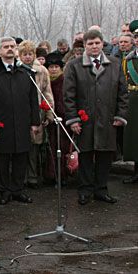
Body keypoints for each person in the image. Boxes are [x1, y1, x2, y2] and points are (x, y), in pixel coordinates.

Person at [63, 30, 128, 205]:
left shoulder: (114, 64)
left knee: (105, 155)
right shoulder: (74, 65)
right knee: (85, 155)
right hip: (85, 120)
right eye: (90, 43)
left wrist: (120, 115)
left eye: (97, 43)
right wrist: (73, 119)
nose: (94, 46)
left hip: (108, 119)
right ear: (84, 45)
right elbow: (68, 95)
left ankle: (101, 189)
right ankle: (85, 190)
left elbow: (123, 93)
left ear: (102, 44)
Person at [0, 37, 40, 205]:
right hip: (2, 124)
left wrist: (34, 122)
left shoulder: (26, 72)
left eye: (12, 46)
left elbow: (33, 99)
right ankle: (4, 191)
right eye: (5, 47)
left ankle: (17, 190)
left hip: (22, 123)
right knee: (3, 159)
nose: (9, 49)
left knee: (21, 157)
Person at [18, 41, 54, 189]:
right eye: (24, 54)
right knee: (21, 146)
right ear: (19, 55)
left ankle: (32, 176)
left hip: (37, 111)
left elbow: (47, 93)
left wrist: (49, 113)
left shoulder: (42, 71)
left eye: (30, 54)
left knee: (34, 147)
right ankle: (21, 177)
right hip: (20, 112)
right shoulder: (16, 69)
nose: (27, 57)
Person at [43, 52, 69, 186]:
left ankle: (62, 175)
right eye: (51, 67)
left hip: (62, 120)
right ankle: (52, 175)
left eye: (56, 67)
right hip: (50, 119)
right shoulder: (47, 80)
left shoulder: (64, 80)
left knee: (62, 148)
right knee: (51, 149)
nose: (53, 69)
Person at [123, 20, 138, 184]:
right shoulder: (128, 59)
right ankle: (136, 171)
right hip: (133, 101)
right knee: (135, 137)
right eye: (136, 36)